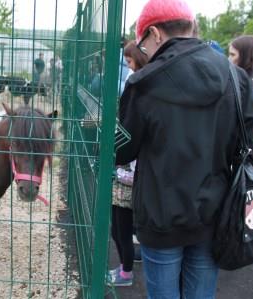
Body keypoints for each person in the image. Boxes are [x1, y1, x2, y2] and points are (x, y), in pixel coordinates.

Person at [116, 0, 253, 297]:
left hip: (160, 214)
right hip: (215, 209)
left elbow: (122, 151)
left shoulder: (144, 83)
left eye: (142, 45)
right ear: (190, 26)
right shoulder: (234, 76)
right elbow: (248, 142)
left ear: (154, 34)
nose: (143, 53)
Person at [107, 40, 148, 287]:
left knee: (122, 231)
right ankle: (124, 268)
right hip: (122, 179)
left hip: (127, 184)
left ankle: (126, 272)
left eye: (130, 61)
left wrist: (117, 173)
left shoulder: (139, 87)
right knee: (117, 231)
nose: (128, 66)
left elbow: (136, 169)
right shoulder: (135, 84)